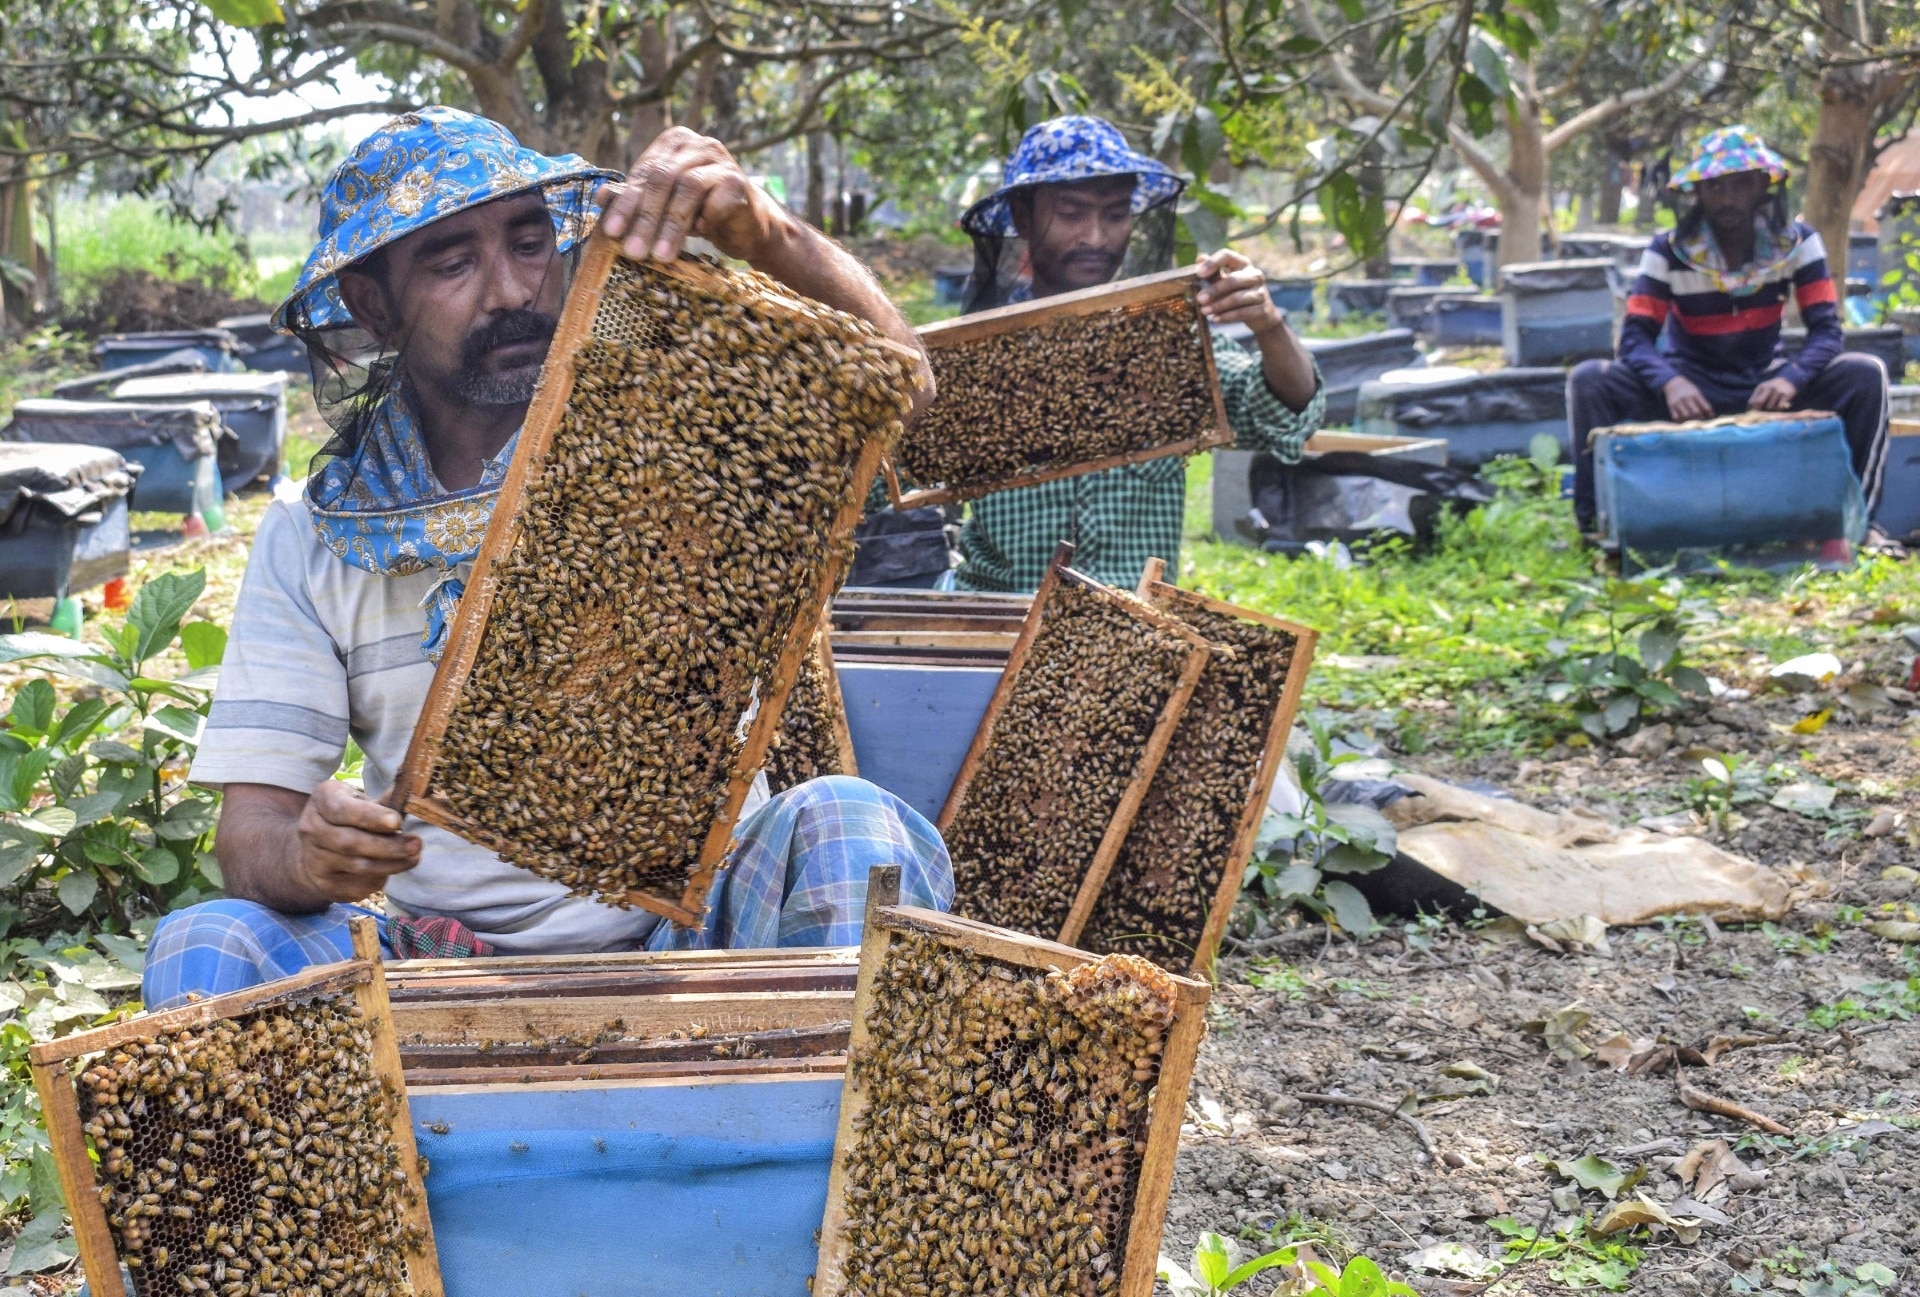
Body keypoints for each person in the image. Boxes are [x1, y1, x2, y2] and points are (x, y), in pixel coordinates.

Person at [143, 108, 953, 1010]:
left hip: (707, 933)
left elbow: (904, 386)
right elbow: (251, 824)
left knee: (852, 821)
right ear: (374, 306)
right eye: (454, 262)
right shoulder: (313, 532)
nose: (511, 290)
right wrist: (302, 853)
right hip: (441, 962)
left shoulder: (678, 431)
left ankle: (799, 1142)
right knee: (206, 942)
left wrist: (773, 234)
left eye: (531, 244)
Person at [952, 116, 1326, 593]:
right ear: (1024, 216)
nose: (1095, 237)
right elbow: (879, 474)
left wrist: (1268, 325)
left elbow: (1284, 415)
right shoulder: (976, 357)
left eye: (1114, 214)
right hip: (996, 615)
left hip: (1132, 620)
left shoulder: (1169, 343)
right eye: (1071, 214)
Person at [1568, 126, 1889, 536]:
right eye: (1716, 187)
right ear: (1698, 193)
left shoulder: (1799, 243)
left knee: (1865, 374)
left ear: (1761, 186)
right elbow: (1634, 337)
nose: (1728, 198)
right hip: (1690, 390)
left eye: (1740, 185)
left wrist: (1792, 379)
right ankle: (1594, 527)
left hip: (1766, 387)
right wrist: (1670, 384)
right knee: (1590, 380)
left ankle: (1859, 525)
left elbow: (1827, 331)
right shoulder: (1666, 250)